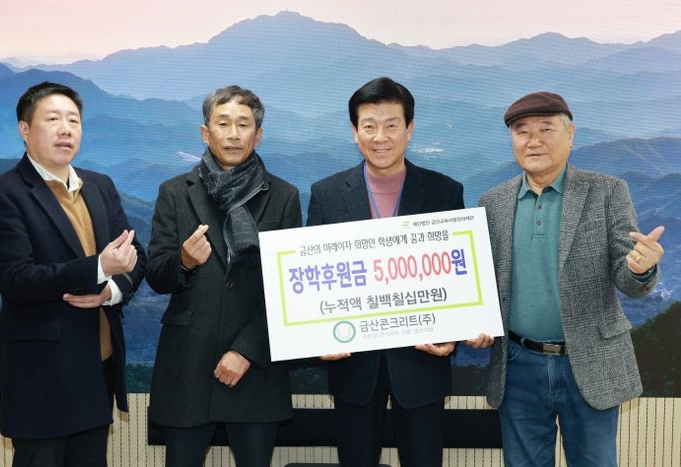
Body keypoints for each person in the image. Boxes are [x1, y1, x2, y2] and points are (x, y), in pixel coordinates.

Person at [476, 91, 665, 466]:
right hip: (518, 366)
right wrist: (474, 322)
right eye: (522, 131)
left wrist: (640, 268)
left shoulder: (607, 191)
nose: (533, 140)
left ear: (571, 134)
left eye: (546, 129)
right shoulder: (492, 202)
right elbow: (484, 283)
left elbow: (626, 276)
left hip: (589, 362)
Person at [0, 81, 146, 467]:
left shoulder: (100, 186)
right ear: (25, 130)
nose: (66, 129)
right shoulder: (0, 194)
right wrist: (99, 267)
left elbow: (136, 255)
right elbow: (17, 280)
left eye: (74, 120)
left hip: (98, 370)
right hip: (42, 381)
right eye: (53, 119)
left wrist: (112, 290)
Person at [306, 77, 465, 466]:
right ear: (354, 131)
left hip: (422, 364)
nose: (381, 137)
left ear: (409, 129)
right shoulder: (327, 194)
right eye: (369, 126)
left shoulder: (444, 192)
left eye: (392, 125)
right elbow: (314, 280)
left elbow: (459, 277)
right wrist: (316, 335)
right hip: (353, 366)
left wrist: (454, 332)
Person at [147, 85, 301, 467]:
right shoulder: (174, 193)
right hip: (189, 364)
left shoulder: (283, 196)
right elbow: (156, 275)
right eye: (223, 123)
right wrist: (183, 261)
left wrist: (246, 350)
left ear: (258, 135)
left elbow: (288, 290)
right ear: (205, 132)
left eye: (243, 125)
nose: (233, 134)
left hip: (256, 366)